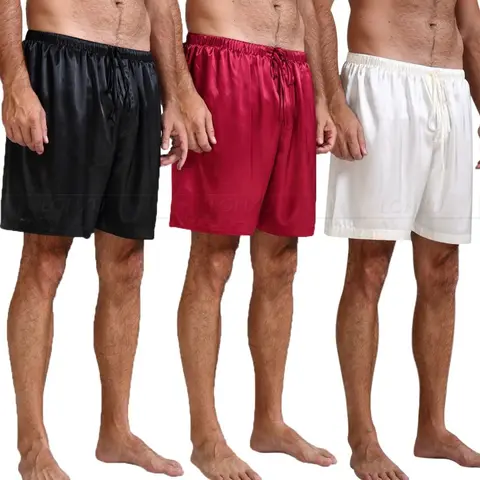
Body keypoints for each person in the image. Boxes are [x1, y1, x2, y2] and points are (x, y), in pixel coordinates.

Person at [0, 0, 187, 479]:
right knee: (45, 260)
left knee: (127, 264)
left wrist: (176, 93)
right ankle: (32, 444)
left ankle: (116, 432)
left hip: (138, 72)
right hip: (61, 62)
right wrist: (15, 82)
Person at [169, 0, 337, 478]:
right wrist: (181, 90)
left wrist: (321, 95)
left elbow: (313, 8)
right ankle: (205, 437)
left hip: (295, 70)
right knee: (213, 258)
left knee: (282, 259)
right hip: (224, 62)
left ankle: (270, 422)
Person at [316, 0, 480, 478]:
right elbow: (318, 9)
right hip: (380, 82)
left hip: (450, 89)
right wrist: (335, 102)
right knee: (369, 266)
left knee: (443, 271)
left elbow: (470, 26)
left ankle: (433, 429)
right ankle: (362, 439)